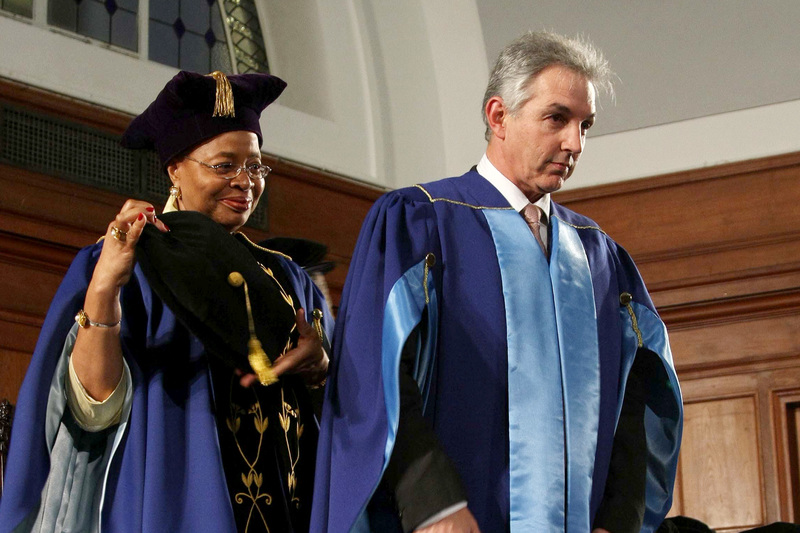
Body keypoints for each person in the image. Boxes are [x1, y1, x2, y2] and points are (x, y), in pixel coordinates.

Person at [311, 31, 683, 532]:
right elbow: (375, 374)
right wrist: (433, 503)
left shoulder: (598, 255)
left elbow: (638, 399)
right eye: (557, 118)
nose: (575, 142)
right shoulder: (421, 222)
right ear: (498, 116)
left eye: (585, 125)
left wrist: (618, 520)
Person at [0, 71, 332, 533]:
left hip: (292, 505)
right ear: (175, 168)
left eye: (255, 166)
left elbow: (344, 412)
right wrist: (105, 288)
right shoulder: (129, 258)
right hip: (178, 501)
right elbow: (93, 411)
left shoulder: (287, 276)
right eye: (224, 165)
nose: (246, 182)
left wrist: (320, 371)